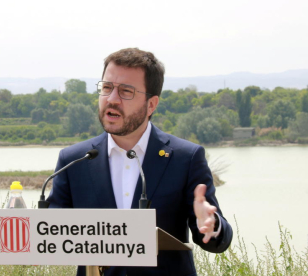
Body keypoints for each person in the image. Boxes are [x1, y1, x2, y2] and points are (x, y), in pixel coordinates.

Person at [47, 48, 233, 275]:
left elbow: (213, 241)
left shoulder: (186, 158)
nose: (111, 99)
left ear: (151, 105)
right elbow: (50, 235)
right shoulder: (73, 160)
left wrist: (212, 225)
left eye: (126, 91)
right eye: (106, 88)